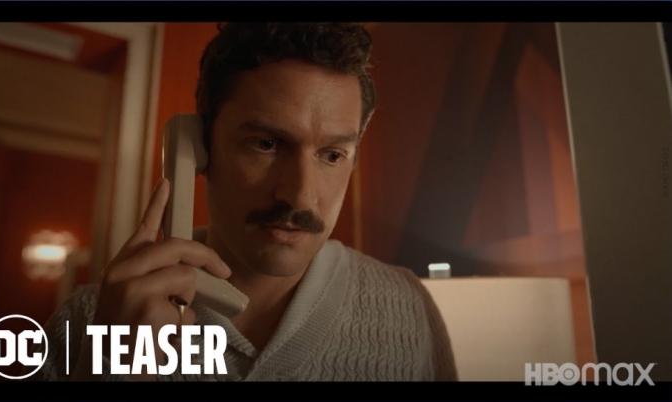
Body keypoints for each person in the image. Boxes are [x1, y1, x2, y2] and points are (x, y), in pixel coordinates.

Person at [30, 22, 458, 381]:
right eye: (267, 144)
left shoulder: (408, 307)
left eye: (332, 155)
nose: (299, 195)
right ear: (198, 148)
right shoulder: (87, 321)